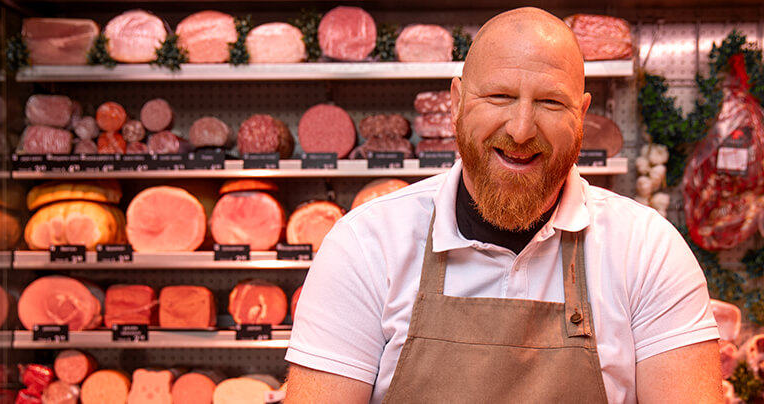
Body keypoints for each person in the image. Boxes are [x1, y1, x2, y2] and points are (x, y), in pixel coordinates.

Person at [285, 7, 724, 403]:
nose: (519, 129)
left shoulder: (647, 249)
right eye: (498, 97)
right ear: (456, 103)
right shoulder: (365, 244)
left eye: (551, 102)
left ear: (582, 115)